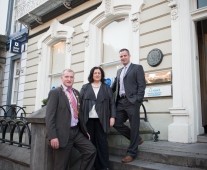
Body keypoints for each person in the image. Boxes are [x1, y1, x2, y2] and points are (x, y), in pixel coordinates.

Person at [45, 69, 96, 170]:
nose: (69, 79)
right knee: (60, 166)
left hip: (76, 132)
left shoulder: (76, 93)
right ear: (62, 78)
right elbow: (50, 117)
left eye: (71, 77)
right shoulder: (55, 93)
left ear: (74, 79)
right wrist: (53, 136)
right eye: (66, 77)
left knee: (91, 151)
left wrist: (85, 131)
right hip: (62, 134)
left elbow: (79, 114)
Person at [111, 48, 146, 163]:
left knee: (134, 126)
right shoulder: (119, 71)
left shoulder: (137, 68)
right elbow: (114, 86)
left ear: (129, 56)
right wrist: (103, 93)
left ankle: (131, 153)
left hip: (132, 102)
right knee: (115, 123)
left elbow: (142, 85)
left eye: (125, 55)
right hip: (120, 102)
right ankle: (136, 139)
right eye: (121, 56)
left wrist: (138, 100)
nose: (123, 58)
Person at [80, 66, 116, 170]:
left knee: (102, 144)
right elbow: (80, 104)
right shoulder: (85, 87)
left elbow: (112, 104)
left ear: (101, 75)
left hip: (102, 120)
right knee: (90, 144)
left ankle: (104, 167)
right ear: (92, 75)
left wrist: (112, 117)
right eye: (95, 73)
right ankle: (90, 167)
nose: (97, 74)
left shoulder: (106, 88)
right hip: (88, 120)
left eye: (99, 73)